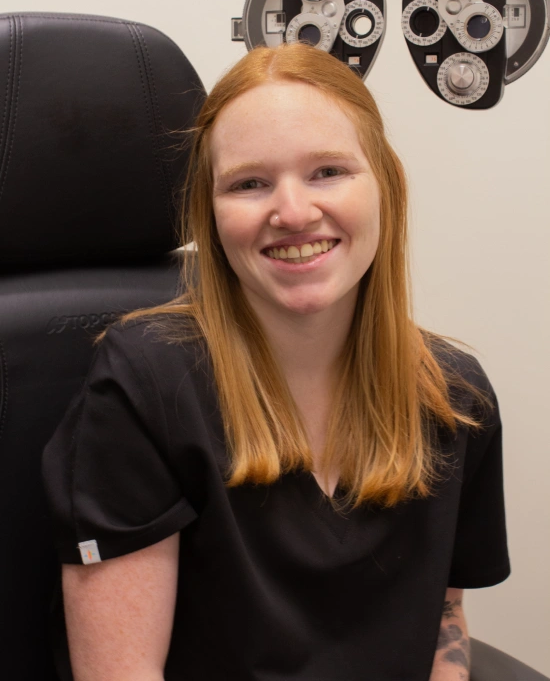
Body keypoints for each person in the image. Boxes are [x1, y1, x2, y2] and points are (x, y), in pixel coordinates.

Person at [43, 42, 510, 681]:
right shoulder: (145, 383)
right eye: (249, 183)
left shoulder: (455, 396)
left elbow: (443, 620)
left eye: (327, 172)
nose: (292, 212)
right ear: (212, 215)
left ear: (385, 188)